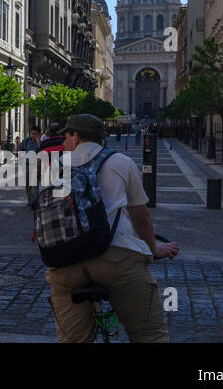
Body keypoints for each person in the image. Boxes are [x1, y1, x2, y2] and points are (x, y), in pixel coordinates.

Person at [43, 114, 180, 343]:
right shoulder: (121, 162)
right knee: (151, 336)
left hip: (65, 263)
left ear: (75, 137)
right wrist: (153, 248)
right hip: (117, 259)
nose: (63, 142)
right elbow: (141, 218)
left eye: (66, 136)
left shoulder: (55, 166)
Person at [20, 127, 43, 206]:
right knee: (28, 185)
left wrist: (39, 143)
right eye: (32, 133)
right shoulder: (26, 141)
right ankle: (30, 201)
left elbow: (42, 152)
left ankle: (35, 202)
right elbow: (20, 149)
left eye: (35, 134)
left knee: (34, 185)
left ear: (39, 134)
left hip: (36, 165)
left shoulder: (41, 142)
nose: (33, 135)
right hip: (26, 165)